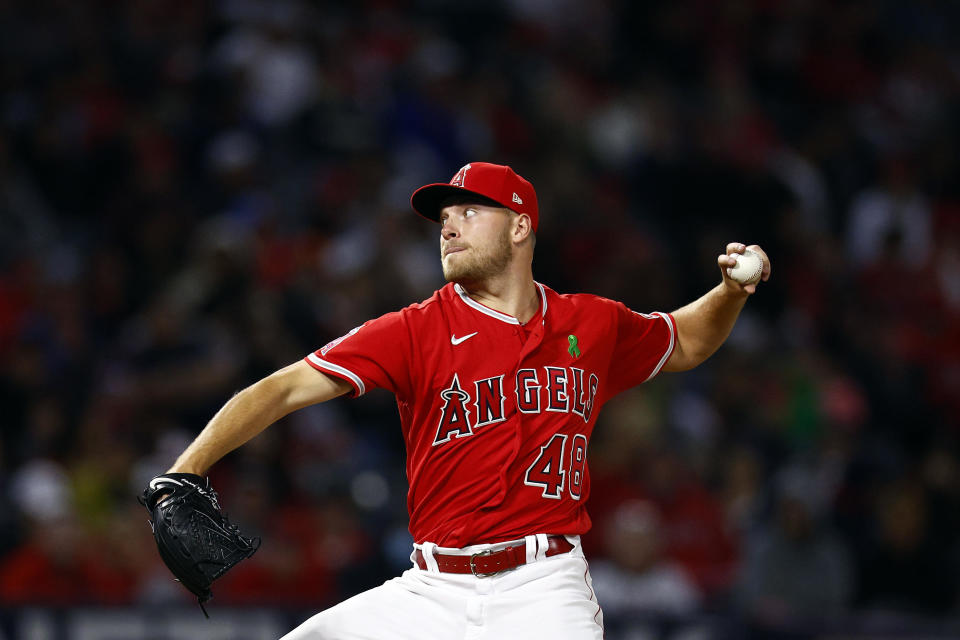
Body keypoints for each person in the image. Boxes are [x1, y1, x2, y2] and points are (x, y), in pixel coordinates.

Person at [160, 162, 770, 639]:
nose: (447, 226)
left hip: (543, 590)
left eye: (469, 212)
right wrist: (184, 472)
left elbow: (685, 339)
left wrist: (730, 293)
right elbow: (283, 387)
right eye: (444, 217)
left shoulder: (594, 323)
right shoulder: (414, 329)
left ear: (520, 225)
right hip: (430, 592)